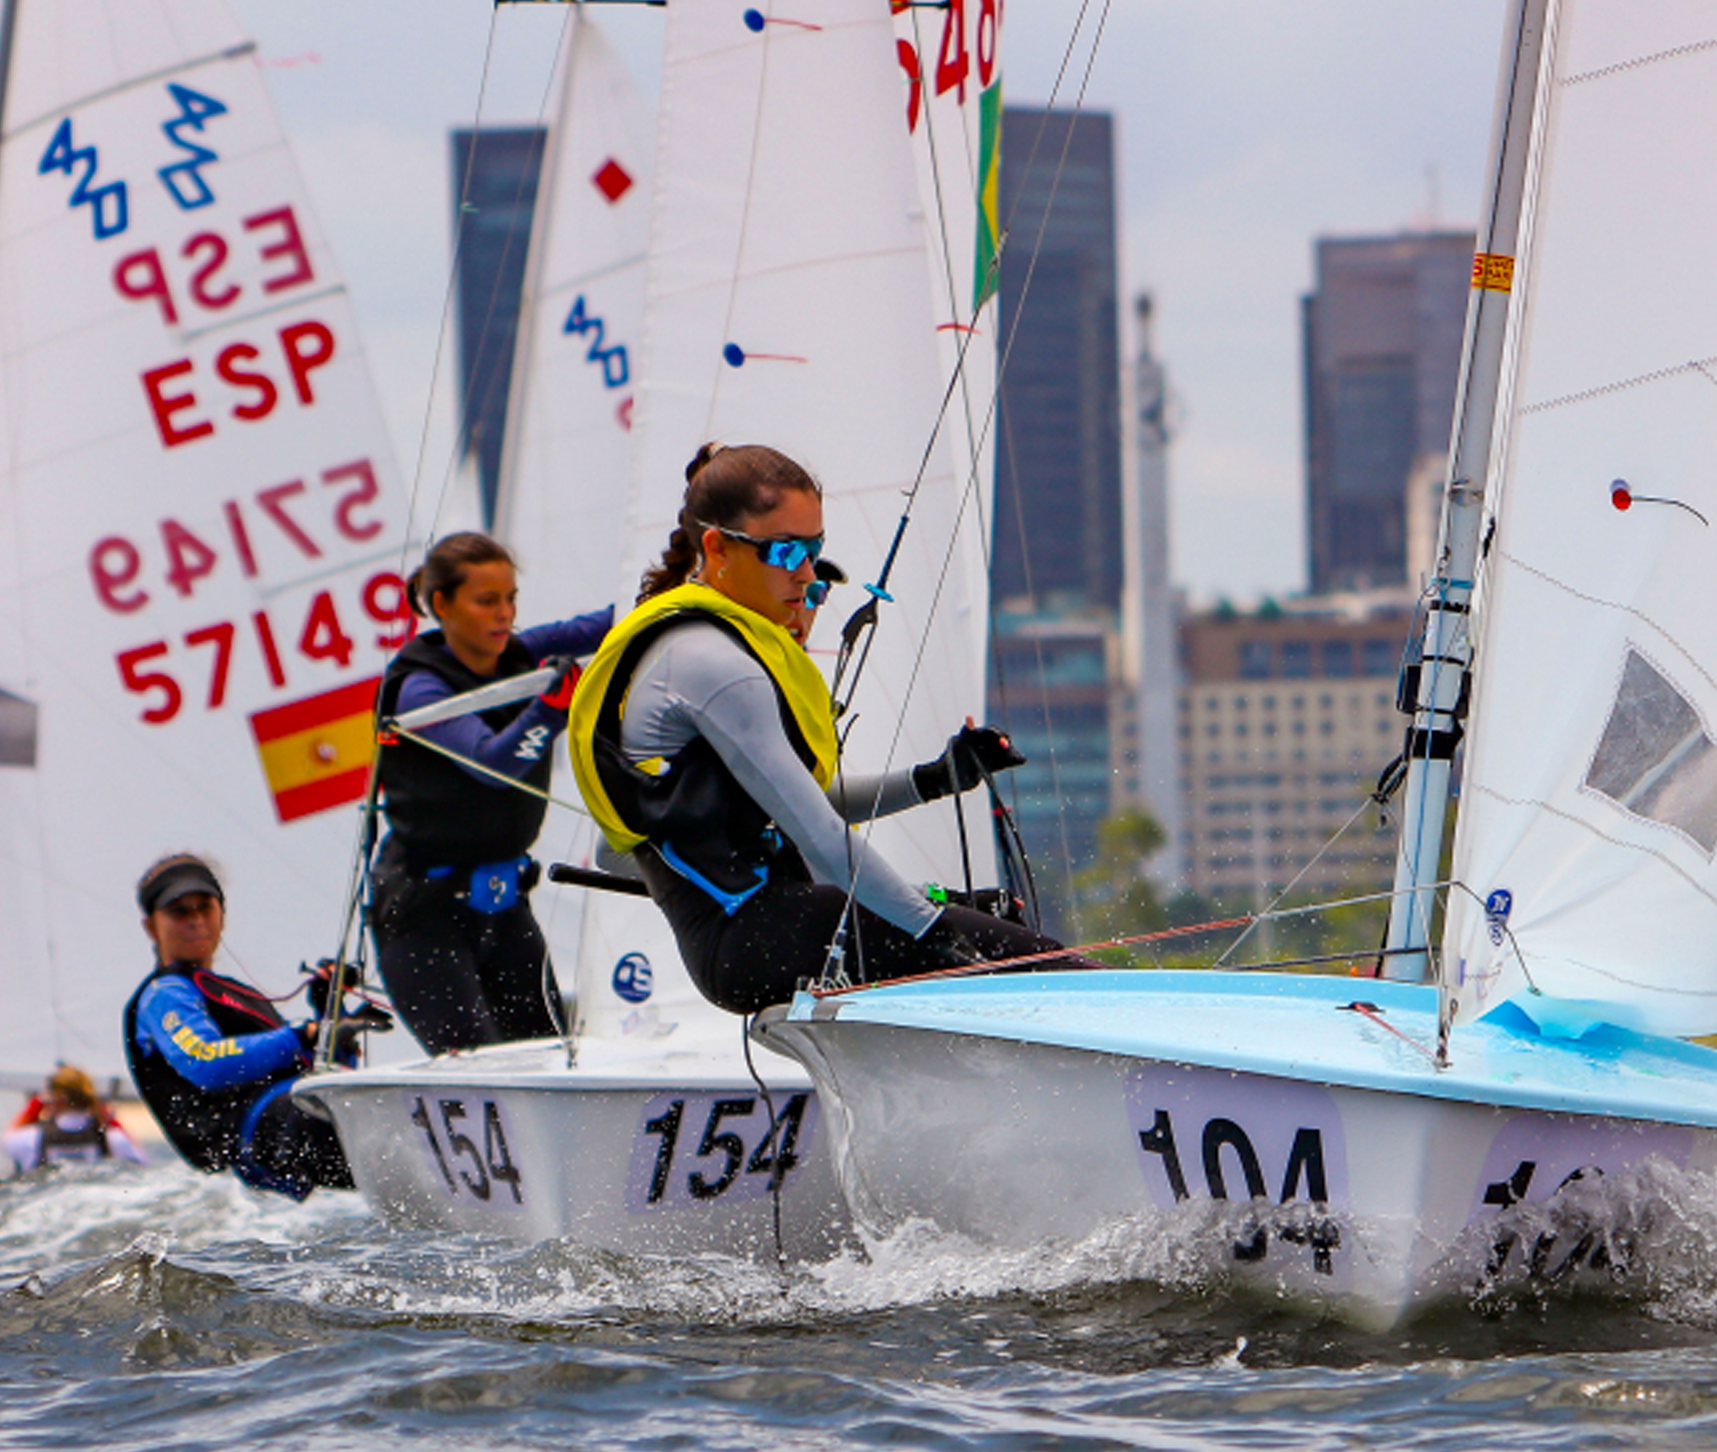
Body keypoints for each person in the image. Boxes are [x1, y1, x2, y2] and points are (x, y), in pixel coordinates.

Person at [568, 442, 1082, 1015]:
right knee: (1048, 973)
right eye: (785, 552)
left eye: (814, 550)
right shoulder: (710, 662)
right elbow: (818, 834)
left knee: (992, 923)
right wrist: (932, 934)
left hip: (766, 926)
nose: (806, 575)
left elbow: (787, 808)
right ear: (717, 548)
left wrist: (933, 780)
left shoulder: (706, 644)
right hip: (753, 936)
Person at [371, 533, 613, 1052]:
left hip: (503, 908)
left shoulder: (522, 651)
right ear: (442, 605)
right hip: (424, 921)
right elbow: (491, 765)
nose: (504, 614)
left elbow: (613, 622)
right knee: (482, 1071)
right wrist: (551, 709)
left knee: (550, 1058)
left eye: (511, 599)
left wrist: (688, 558)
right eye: (486, 602)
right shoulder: (420, 687)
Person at [121, 854, 370, 1200]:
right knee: (346, 1126)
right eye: (180, 911)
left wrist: (331, 1014)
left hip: (288, 1125)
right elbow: (206, 1062)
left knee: (357, 1116)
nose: (195, 921)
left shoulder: (237, 994)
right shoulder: (164, 994)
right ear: (151, 926)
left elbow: (316, 1069)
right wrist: (303, 1034)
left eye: (204, 908)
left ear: (221, 913)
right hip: (252, 1146)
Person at [2, 1064, 150, 1173]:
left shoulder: (31, 1138)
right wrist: (108, 1118)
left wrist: (35, 1105)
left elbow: (6, 1141)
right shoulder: (113, 1139)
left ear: (54, 1099)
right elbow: (141, 1160)